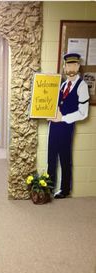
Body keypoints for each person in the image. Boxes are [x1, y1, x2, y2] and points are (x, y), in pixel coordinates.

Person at [47, 53, 90, 199]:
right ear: (64, 67)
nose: (71, 68)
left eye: (74, 65)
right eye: (68, 65)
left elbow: (83, 113)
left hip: (66, 127)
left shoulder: (82, 86)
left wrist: (63, 118)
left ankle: (64, 189)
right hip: (54, 126)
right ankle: (49, 187)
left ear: (78, 66)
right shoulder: (63, 84)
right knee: (51, 158)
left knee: (65, 158)